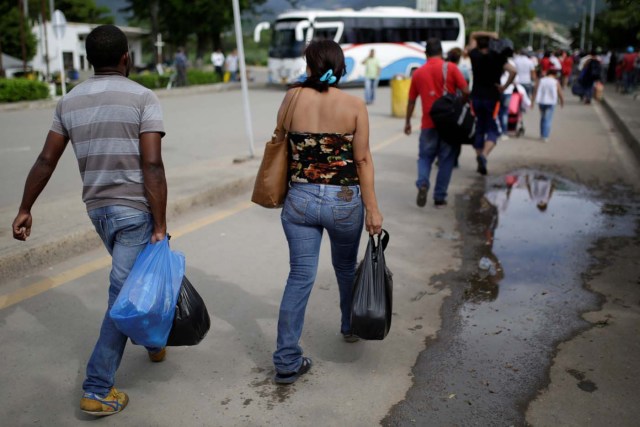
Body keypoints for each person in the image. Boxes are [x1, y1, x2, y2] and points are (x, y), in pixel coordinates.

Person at [11, 25, 168, 416]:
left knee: (134, 279)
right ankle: (98, 388)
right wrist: (160, 224)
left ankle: (152, 342)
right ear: (125, 58)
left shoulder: (69, 101)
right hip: (134, 211)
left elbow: (47, 159)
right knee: (123, 294)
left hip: (98, 210)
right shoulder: (143, 98)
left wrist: (25, 207)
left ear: (88, 61)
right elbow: (151, 163)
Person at [271, 40, 383, 385]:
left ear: (308, 66)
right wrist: (373, 210)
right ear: (341, 68)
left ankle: (286, 359)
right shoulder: (353, 105)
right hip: (344, 200)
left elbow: (279, 140)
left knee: (299, 276)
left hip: (300, 199)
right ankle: (349, 326)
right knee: (346, 268)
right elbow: (362, 159)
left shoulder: (291, 98)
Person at [404, 38, 469, 208]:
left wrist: (408, 122)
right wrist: (459, 105)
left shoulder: (418, 73)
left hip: (428, 125)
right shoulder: (452, 68)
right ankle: (439, 197)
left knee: (425, 157)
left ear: (426, 53)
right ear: (441, 52)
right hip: (449, 125)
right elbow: (466, 91)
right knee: (446, 160)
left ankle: (423, 183)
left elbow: (411, 101)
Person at [468, 31, 516, 175]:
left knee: (479, 128)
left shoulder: (474, 55)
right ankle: (484, 156)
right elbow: (513, 71)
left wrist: (487, 34)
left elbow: (472, 35)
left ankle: (479, 158)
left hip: (475, 97)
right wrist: (505, 87)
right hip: (492, 97)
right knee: (492, 129)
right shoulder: (498, 57)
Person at [533, 68, 564, 142]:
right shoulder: (555, 82)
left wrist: (532, 101)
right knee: (548, 119)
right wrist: (562, 101)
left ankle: (542, 134)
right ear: (555, 74)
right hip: (550, 102)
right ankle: (545, 136)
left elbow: (535, 90)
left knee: (543, 118)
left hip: (541, 101)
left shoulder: (541, 80)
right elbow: (560, 92)